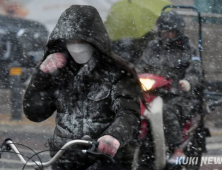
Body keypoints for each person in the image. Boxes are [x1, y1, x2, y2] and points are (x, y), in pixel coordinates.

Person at [23, 5, 144, 170]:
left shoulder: (117, 71)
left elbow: (129, 114)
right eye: (70, 41)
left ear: (94, 40)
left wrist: (113, 136)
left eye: (81, 41)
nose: (76, 46)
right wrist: (41, 76)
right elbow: (35, 113)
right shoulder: (59, 70)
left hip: (106, 160)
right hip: (64, 159)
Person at [136, 11, 203, 164]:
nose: (166, 34)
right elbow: (140, 66)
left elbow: (195, 71)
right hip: (151, 91)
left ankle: (176, 148)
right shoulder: (153, 46)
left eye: (170, 31)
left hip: (177, 94)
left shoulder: (188, 49)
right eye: (163, 30)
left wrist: (187, 82)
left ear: (178, 31)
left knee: (167, 110)